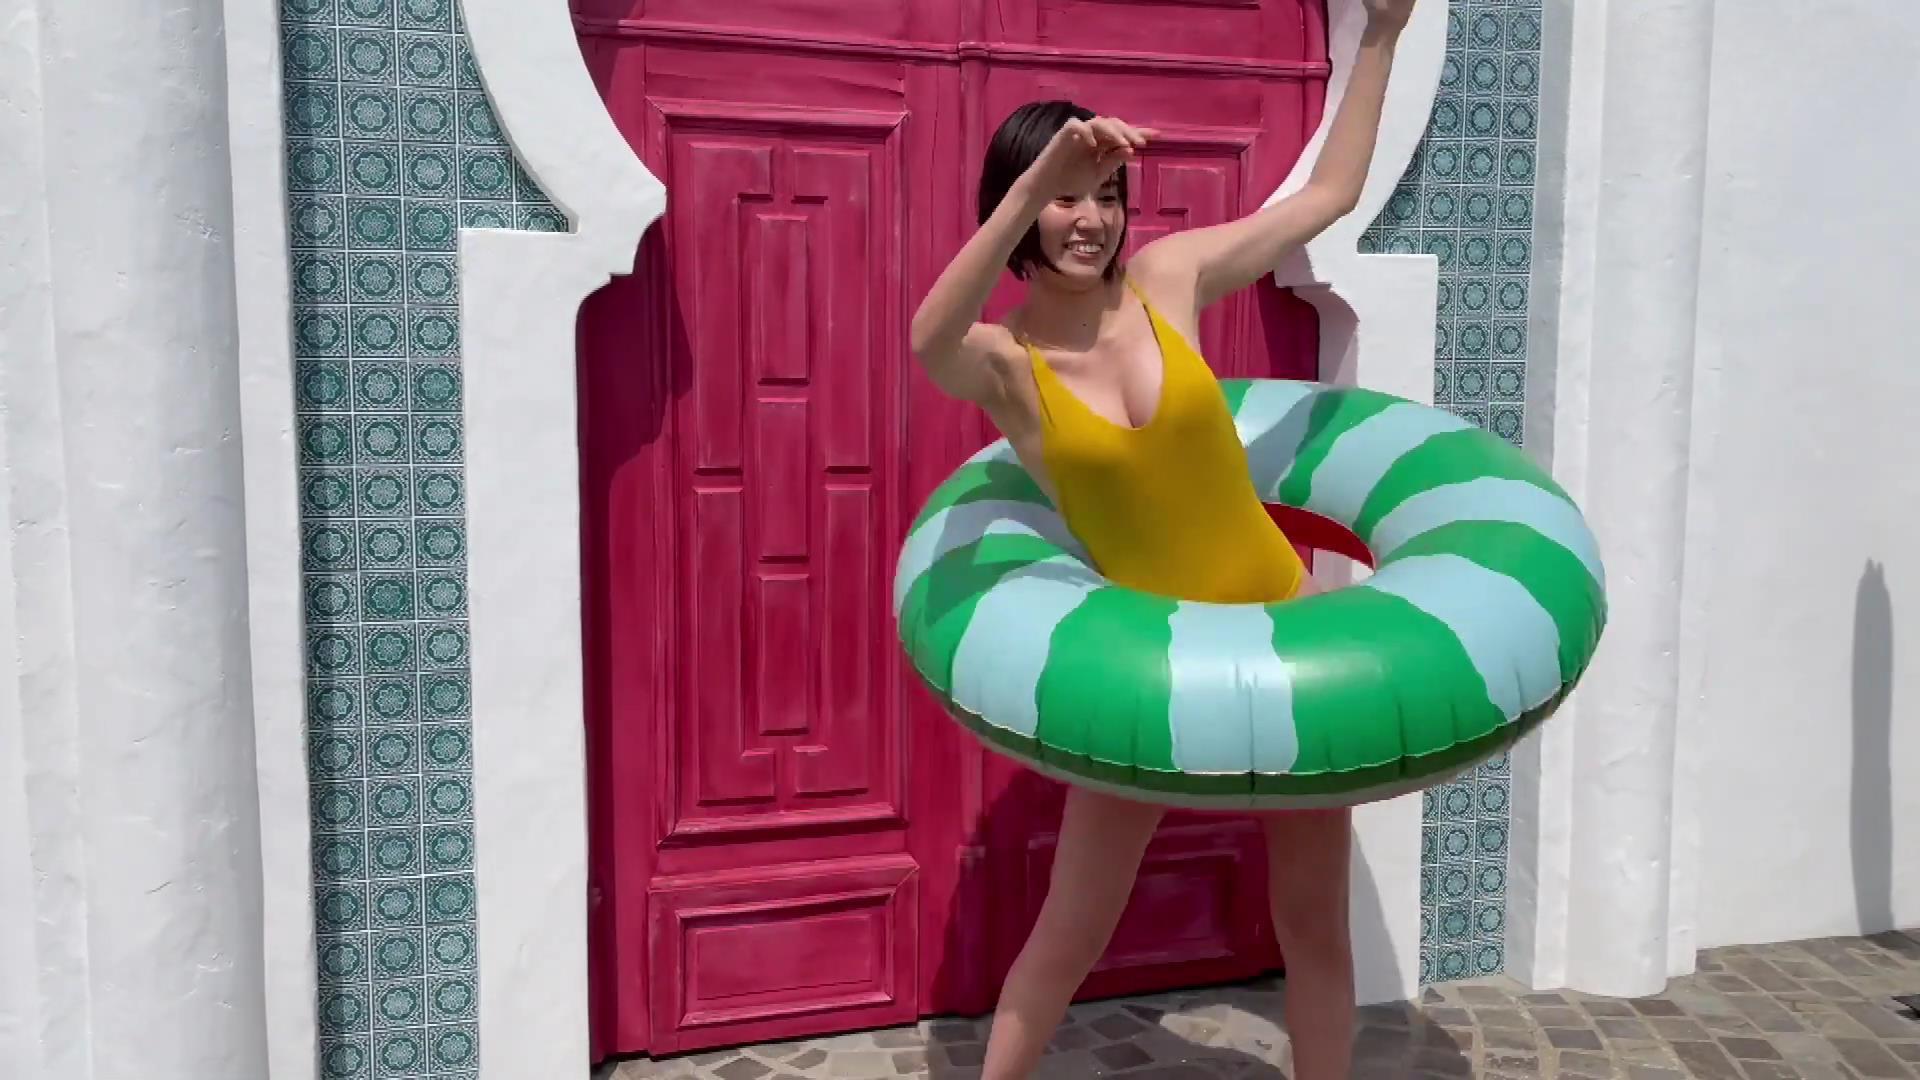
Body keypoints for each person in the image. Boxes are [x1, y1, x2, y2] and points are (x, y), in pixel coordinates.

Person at [906, 2, 1418, 1077]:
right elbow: (926, 337)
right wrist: (1034, 179)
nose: (1089, 219)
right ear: (1022, 206)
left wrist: (1381, 35)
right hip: (1147, 664)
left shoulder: (1169, 279)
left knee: (1313, 927)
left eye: (1105, 196)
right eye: (1066, 198)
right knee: (1071, 931)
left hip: (1289, 639)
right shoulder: (1005, 363)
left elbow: (1328, 195)